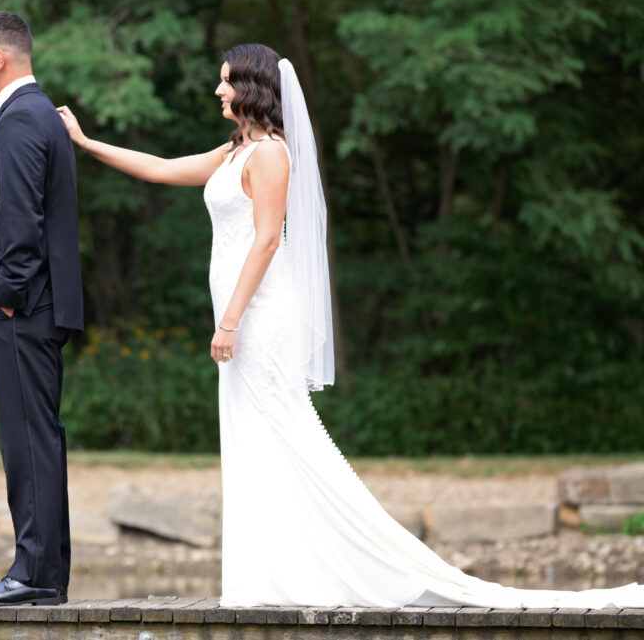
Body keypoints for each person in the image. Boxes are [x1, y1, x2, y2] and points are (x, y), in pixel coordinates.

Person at [57, 43, 643, 608]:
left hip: (260, 317)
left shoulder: (270, 155)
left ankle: (355, 565)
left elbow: (265, 241)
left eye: (227, 79)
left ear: (254, 87)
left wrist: (229, 321)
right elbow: (160, 168)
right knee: (257, 439)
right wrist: (85, 142)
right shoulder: (235, 150)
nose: (218, 88)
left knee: (284, 433)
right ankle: (270, 573)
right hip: (243, 318)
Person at [0, 11, 82, 607]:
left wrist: (2, 297)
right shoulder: (33, 115)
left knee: (28, 440)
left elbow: (21, 222)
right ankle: (45, 575)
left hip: (23, 308)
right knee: (37, 437)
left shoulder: (22, 120)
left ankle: (33, 575)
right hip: (33, 306)